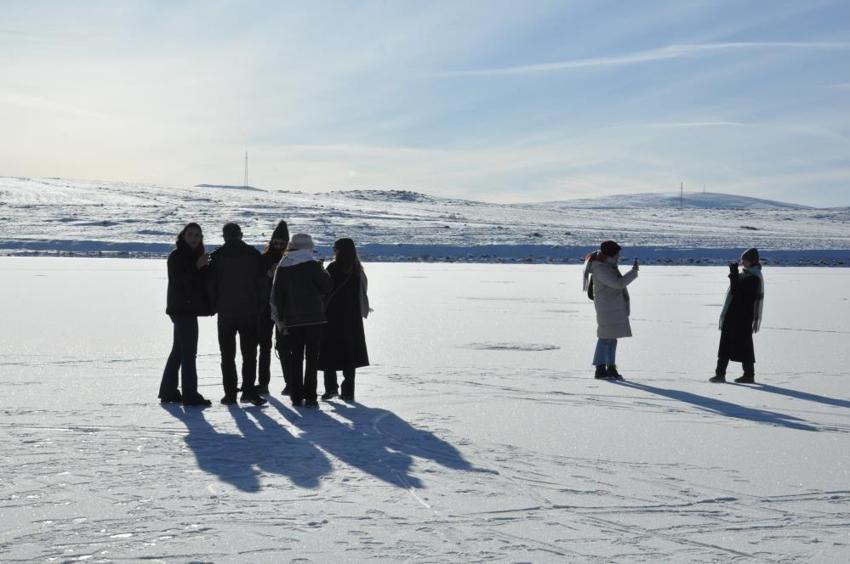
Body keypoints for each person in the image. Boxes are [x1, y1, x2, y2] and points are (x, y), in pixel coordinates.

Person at [270, 233, 333, 408]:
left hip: (292, 320)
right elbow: (327, 286)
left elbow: (278, 295)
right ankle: (311, 396)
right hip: (315, 319)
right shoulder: (313, 265)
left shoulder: (283, 266)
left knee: (296, 358)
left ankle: (296, 395)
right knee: (312, 358)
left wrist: (280, 319)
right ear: (309, 247)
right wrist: (323, 270)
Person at [208, 222, 267, 406]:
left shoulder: (217, 256)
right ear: (240, 235)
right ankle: (248, 391)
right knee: (249, 355)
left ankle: (230, 394)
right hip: (249, 312)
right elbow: (263, 284)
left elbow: (210, 285)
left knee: (227, 356)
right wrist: (260, 306)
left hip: (226, 313)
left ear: (224, 236)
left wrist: (214, 305)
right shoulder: (253, 254)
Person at [159, 222, 213, 407]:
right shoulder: (176, 256)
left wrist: (205, 266)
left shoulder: (195, 255)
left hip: (185, 309)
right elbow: (180, 281)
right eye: (191, 234)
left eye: (198, 235)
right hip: (181, 310)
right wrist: (197, 267)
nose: (194, 238)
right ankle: (190, 395)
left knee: (179, 351)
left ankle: (168, 391)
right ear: (183, 236)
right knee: (189, 353)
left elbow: (201, 282)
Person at [318, 238, 371, 402]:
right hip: (352, 319)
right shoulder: (357, 270)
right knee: (350, 355)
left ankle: (331, 388)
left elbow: (325, 289)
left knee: (329, 353)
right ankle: (348, 391)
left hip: (332, 316)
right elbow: (363, 291)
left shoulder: (332, 268)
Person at [582, 240, 639, 380]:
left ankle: (611, 367)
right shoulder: (601, 268)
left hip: (612, 307)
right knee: (605, 338)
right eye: (617, 254)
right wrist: (633, 272)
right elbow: (617, 284)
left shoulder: (608, 265)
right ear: (611, 254)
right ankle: (600, 368)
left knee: (612, 338)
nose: (619, 256)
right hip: (607, 308)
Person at [710, 248, 765, 384]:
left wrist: (733, 275)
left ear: (751, 261)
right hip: (735, 315)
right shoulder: (746, 274)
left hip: (742, 317)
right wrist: (735, 275)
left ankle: (746, 375)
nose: (742, 262)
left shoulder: (753, 278)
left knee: (743, 346)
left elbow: (738, 293)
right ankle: (722, 374)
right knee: (727, 346)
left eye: (744, 259)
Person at [257, 220, 290, 396]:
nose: (277, 245)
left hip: (283, 309)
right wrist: (268, 275)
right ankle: (263, 383)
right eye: (275, 242)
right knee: (264, 347)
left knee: (284, 346)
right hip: (264, 309)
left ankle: (290, 382)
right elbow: (254, 281)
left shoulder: (288, 260)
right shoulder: (262, 260)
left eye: (281, 243)